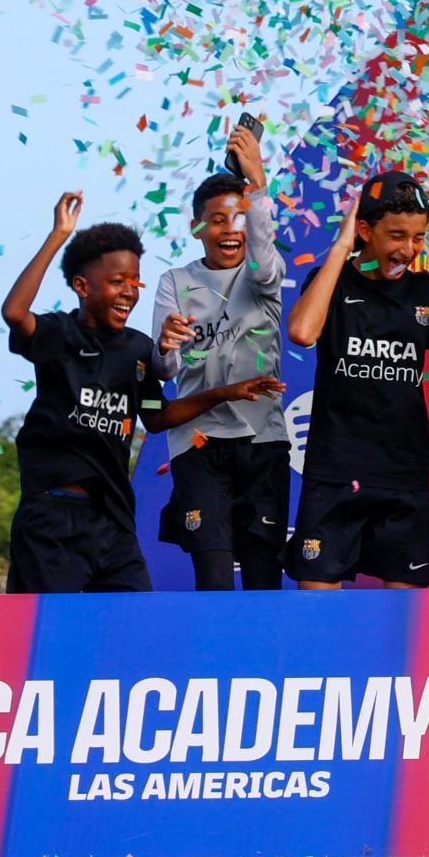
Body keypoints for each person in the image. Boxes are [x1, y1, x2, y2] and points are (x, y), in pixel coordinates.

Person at [1, 194, 281, 592]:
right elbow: (14, 313)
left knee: (132, 617)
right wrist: (58, 236)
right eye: (117, 282)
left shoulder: (136, 349)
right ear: (82, 286)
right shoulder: (59, 335)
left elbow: (156, 415)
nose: (129, 292)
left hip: (114, 521)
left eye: (135, 282)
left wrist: (224, 392)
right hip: (53, 517)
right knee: (57, 624)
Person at [283, 170, 429, 589]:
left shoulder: (427, 291)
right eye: (396, 236)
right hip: (334, 474)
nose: (408, 249)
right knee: (317, 614)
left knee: (399, 616)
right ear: (365, 231)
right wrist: (341, 248)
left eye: (417, 237)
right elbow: (302, 332)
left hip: (404, 478)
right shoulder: (331, 281)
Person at [149, 122, 290, 591]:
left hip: (262, 442)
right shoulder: (174, 281)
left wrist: (258, 182)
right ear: (196, 227)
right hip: (198, 445)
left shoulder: (262, 273)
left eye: (239, 219)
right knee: (212, 578)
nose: (230, 230)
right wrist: (165, 345)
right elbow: (164, 370)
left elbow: (264, 260)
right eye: (216, 220)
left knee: (263, 576)